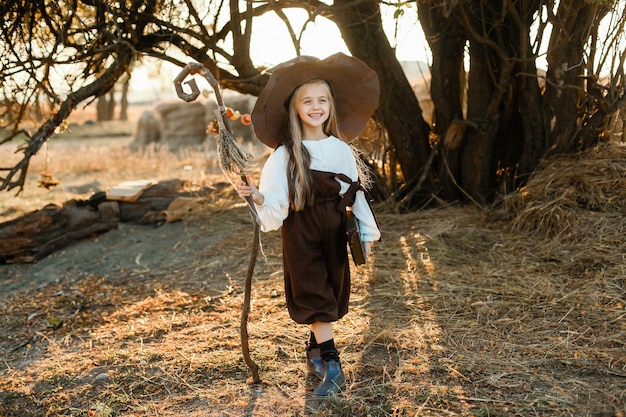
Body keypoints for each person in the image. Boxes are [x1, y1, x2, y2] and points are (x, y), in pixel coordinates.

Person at [237, 53, 381, 397]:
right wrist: (257, 196)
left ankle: (314, 350)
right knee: (314, 293)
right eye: (307, 101)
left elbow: (354, 194)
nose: (316, 107)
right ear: (295, 108)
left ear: (330, 105)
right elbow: (275, 202)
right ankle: (333, 366)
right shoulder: (286, 154)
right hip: (301, 232)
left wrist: (366, 232)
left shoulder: (341, 149)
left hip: (335, 230)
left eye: (322, 100)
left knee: (332, 291)